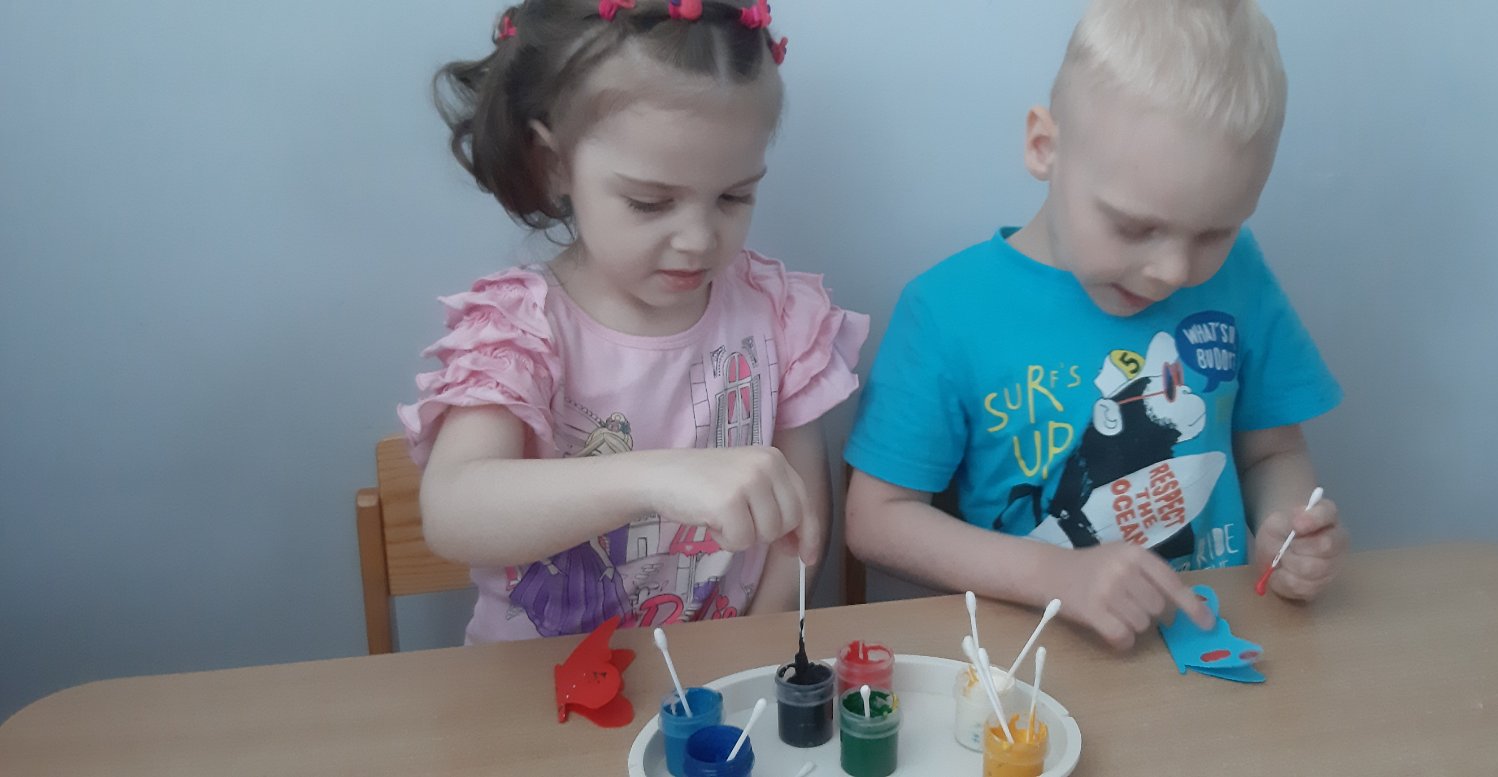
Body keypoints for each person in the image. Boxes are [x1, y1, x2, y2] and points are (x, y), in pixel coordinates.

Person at [844, 0, 1347, 651]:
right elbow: (876, 520)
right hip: (1031, 669)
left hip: (1221, 649)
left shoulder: (1240, 276)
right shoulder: (946, 310)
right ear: (1044, 147)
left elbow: (1273, 452)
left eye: (1215, 233)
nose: (1172, 271)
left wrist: (1287, 529)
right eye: (1135, 227)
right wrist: (1056, 573)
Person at [400, 0, 866, 643]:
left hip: (714, 680)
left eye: (734, 196)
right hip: (535, 688)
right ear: (553, 165)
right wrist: (656, 476)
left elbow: (799, 533)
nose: (698, 239)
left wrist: (741, 661)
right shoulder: (520, 328)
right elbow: (453, 512)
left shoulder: (777, 314)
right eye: (650, 202)